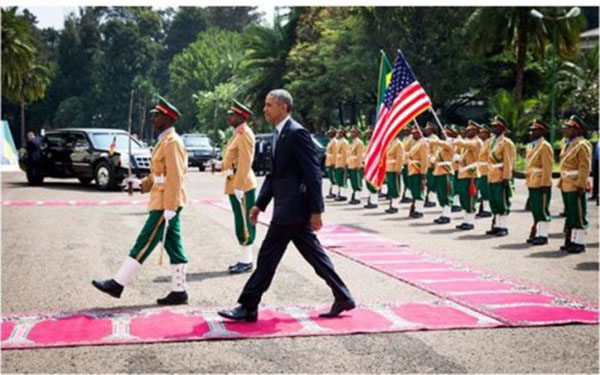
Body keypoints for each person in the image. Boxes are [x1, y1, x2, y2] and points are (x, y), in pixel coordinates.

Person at [218, 89, 355, 322]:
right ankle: (343, 296)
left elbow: (313, 174)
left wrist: (316, 210)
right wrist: (259, 205)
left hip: (293, 209)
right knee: (314, 256)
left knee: (268, 256)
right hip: (287, 207)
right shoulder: (278, 133)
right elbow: (274, 176)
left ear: (283, 107)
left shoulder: (296, 133)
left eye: (269, 105)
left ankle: (248, 305)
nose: (265, 109)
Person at [92, 96, 190, 305]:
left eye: (157, 116)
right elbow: (159, 175)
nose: (152, 119)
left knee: (144, 241)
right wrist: (140, 184)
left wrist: (170, 207)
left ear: (167, 118)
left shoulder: (172, 143)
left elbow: (175, 177)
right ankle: (179, 290)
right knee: (174, 246)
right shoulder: (164, 141)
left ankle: (117, 283)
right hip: (162, 199)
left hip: (166, 203)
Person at [222, 100, 258, 274]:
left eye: (231, 115)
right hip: (234, 181)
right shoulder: (236, 134)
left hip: (242, 184)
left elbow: (245, 161)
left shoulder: (244, 134)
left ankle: (247, 261)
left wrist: (239, 185)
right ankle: (244, 259)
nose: (228, 117)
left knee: (245, 222)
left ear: (240, 117)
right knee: (239, 219)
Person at [558, 115, 592, 253]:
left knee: (578, 214)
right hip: (566, 182)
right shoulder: (567, 143)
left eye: (570, 128)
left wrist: (581, 185)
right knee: (571, 214)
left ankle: (580, 242)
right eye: (566, 127)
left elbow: (584, 167)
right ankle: (571, 240)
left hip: (576, 183)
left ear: (578, 130)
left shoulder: (582, 145)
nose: (566, 130)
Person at [486, 115, 516, 237]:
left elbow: (508, 161)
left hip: (500, 176)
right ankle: (497, 225)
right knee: (494, 202)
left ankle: (503, 226)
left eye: (496, 126)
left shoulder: (506, 143)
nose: (493, 128)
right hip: (491, 175)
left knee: (502, 202)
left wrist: (506, 177)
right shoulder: (492, 141)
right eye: (493, 126)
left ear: (503, 128)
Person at [524, 119, 553, 246]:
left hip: (541, 182)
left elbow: (548, 167)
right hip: (532, 181)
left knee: (542, 209)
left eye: (535, 130)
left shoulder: (545, 146)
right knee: (535, 209)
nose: (532, 132)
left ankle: (543, 235)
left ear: (542, 131)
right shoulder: (531, 145)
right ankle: (537, 233)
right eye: (531, 130)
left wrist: (545, 183)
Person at [453, 121, 482, 230]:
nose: (468, 131)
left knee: (470, 199)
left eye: (471, 130)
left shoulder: (477, 142)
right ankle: (465, 220)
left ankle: (470, 222)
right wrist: (458, 158)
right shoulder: (467, 142)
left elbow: (465, 145)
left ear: (476, 131)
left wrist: (454, 140)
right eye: (468, 129)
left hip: (471, 174)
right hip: (463, 173)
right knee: (463, 197)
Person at [428, 126, 455, 224]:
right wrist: (433, 159)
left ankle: (447, 215)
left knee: (446, 194)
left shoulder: (450, 144)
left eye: (446, 133)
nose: (444, 134)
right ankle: (444, 213)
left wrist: (433, 140)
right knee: (441, 194)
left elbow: (446, 146)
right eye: (443, 133)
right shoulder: (441, 146)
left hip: (446, 171)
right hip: (438, 171)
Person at [407, 125, 428, 218]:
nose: (413, 135)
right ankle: (415, 208)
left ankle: (419, 210)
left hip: (418, 170)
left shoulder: (423, 143)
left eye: (415, 133)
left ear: (420, 133)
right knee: (414, 191)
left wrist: (423, 173)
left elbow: (424, 160)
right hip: (412, 170)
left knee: (419, 191)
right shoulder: (415, 143)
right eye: (412, 133)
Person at [384, 133, 404, 213]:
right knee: (391, 186)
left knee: (395, 187)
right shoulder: (391, 143)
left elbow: (400, 157)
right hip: (389, 168)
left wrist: (398, 169)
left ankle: (395, 206)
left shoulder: (398, 144)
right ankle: (392, 204)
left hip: (394, 168)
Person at [476, 125, 493, 217]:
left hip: (487, 170)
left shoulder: (490, 142)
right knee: (483, 190)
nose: (480, 134)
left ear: (487, 133)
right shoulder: (484, 142)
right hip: (481, 170)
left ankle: (487, 210)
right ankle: (484, 208)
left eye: (482, 132)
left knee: (486, 191)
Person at [347, 126, 365, 205]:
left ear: (357, 133)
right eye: (351, 132)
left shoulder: (359, 143)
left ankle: (358, 197)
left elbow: (359, 155)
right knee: (353, 181)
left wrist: (358, 165)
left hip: (356, 165)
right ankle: (354, 195)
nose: (351, 133)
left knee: (357, 181)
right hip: (351, 164)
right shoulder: (352, 142)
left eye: (353, 132)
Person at [363, 126, 380, 208]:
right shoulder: (368, 142)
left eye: (369, 134)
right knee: (368, 184)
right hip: (367, 165)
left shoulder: (376, 143)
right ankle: (371, 201)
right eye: (367, 134)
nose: (367, 135)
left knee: (373, 184)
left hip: (374, 166)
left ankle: (374, 202)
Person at [423, 122, 439, 208]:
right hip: (427, 163)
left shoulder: (434, 138)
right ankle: (428, 198)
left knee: (432, 183)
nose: (426, 130)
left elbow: (436, 151)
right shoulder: (427, 138)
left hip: (432, 164)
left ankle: (432, 200)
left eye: (428, 129)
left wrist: (432, 159)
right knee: (428, 182)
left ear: (432, 130)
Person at [334, 127, 350, 201]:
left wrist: (345, 164)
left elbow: (346, 154)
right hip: (337, 162)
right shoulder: (338, 141)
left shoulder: (344, 142)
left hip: (342, 163)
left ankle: (343, 195)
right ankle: (339, 193)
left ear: (343, 133)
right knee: (338, 179)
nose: (338, 134)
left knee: (343, 180)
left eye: (340, 132)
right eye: (338, 132)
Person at [400, 127, 413, 203]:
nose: (404, 131)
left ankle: (409, 195)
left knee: (409, 179)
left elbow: (412, 150)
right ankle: (406, 194)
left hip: (409, 161)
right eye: (404, 130)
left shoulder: (411, 138)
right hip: (404, 161)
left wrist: (405, 153)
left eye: (406, 130)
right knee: (405, 179)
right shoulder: (405, 138)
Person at [324, 127, 338, 199]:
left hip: (332, 162)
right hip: (329, 161)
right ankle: (332, 192)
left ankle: (334, 192)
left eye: (330, 133)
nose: (329, 134)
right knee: (331, 178)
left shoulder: (334, 142)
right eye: (329, 133)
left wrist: (334, 163)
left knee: (334, 178)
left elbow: (335, 153)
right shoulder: (331, 141)